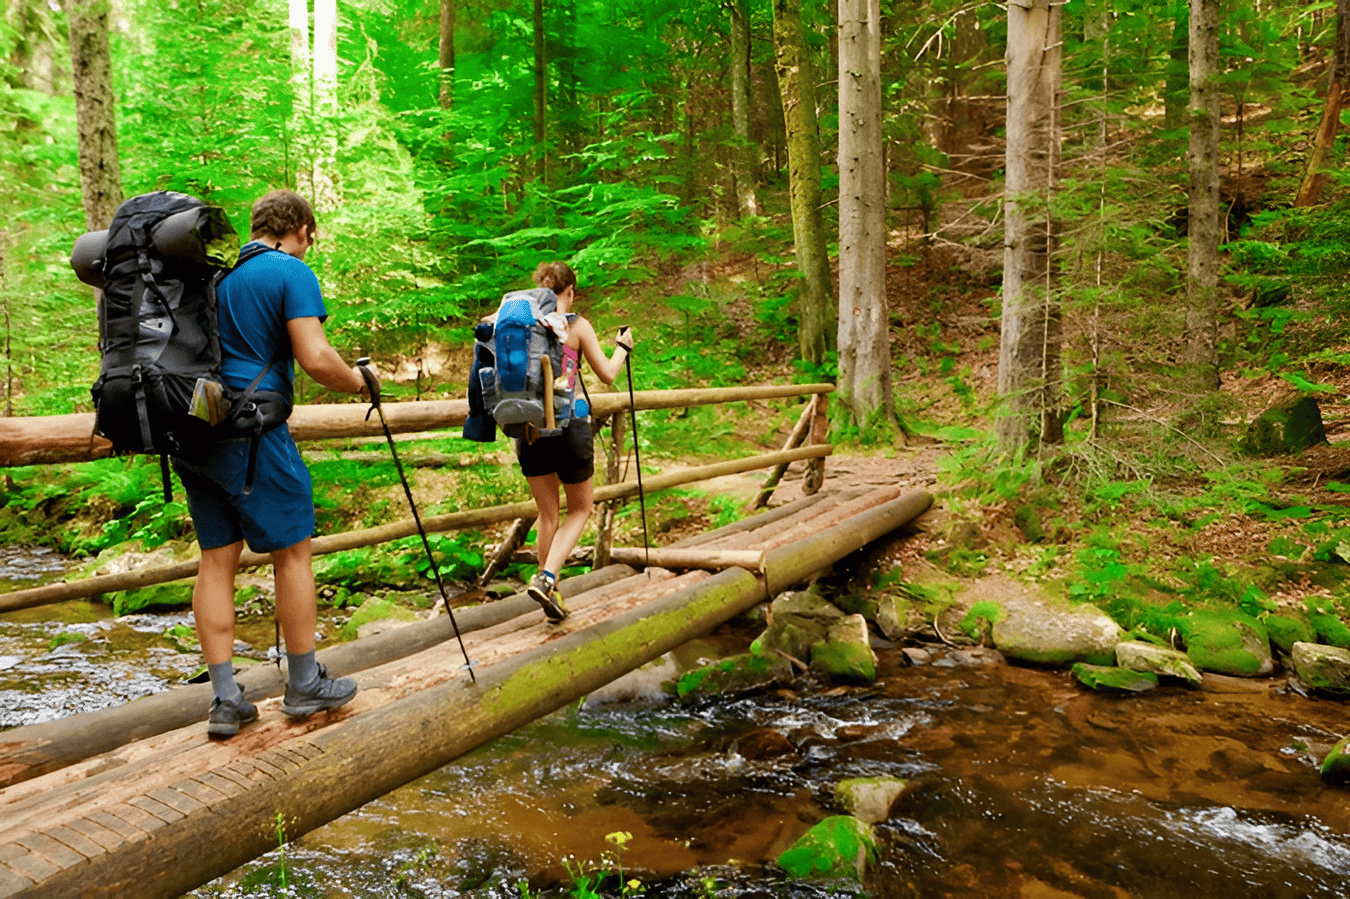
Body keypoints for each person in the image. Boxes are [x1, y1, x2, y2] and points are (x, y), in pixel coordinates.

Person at [174, 189, 376, 739]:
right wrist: (361, 382)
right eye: (311, 236)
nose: (310, 245)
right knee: (292, 550)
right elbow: (315, 358)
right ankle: (305, 682)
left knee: (216, 559)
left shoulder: (212, 274)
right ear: (300, 228)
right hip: (253, 431)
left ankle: (224, 700)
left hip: (195, 432)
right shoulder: (288, 271)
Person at [519, 261, 635, 622]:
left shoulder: (523, 323)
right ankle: (547, 578)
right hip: (569, 427)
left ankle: (549, 593)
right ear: (570, 292)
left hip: (528, 430)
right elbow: (608, 375)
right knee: (581, 509)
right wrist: (623, 347)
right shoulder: (576, 325)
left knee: (547, 514)